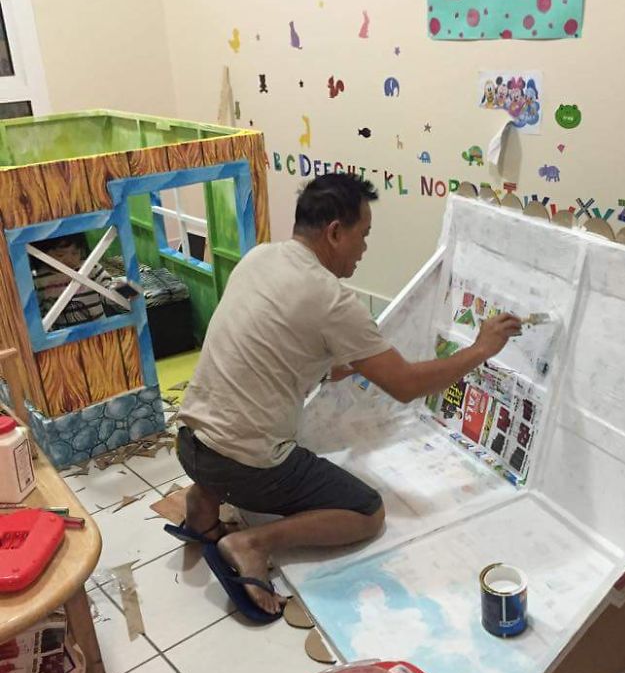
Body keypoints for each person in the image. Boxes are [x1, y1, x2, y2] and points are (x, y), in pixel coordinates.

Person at [176, 174, 521, 618]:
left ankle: (202, 502)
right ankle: (254, 543)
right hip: (246, 467)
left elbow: (275, 345)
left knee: (235, 437)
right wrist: (481, 349)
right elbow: (406, 386)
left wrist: (350, 360)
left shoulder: (260, 257)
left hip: (190, 445)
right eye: (364, 235)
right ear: (335, 232)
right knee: (367, 512)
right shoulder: (332, 300)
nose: (364, 249)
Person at [31, 233, 113, 328]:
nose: (69, 260)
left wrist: (117, 289)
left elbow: (109, 292)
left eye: (75, 253)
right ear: (43, 253)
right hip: (63, 335)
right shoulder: (38, 279)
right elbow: (39, 314)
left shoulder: (91, 268)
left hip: (99, 329)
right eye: (60, 255)